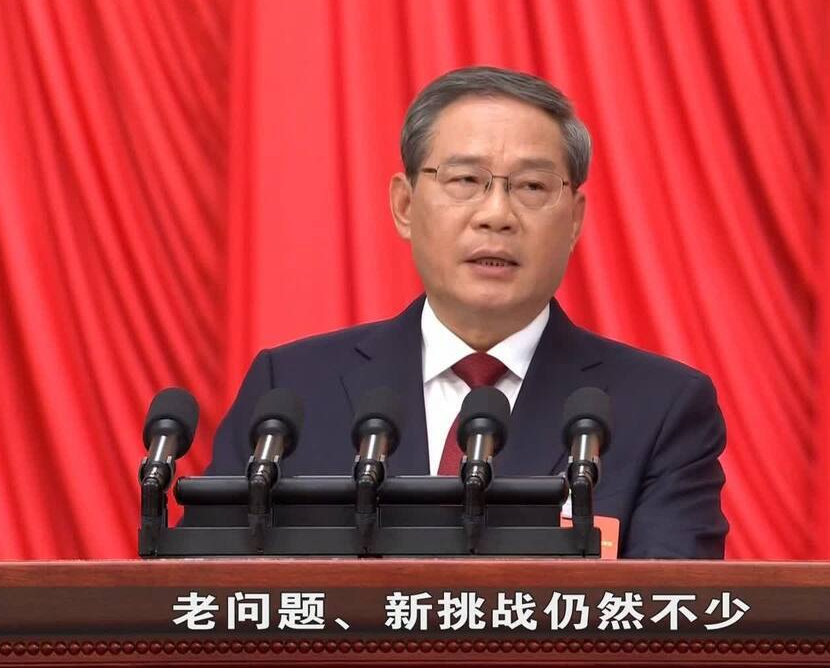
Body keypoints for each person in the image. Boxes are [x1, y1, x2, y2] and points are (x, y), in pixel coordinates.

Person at [204, 66, 728, 558]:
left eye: (532, 186)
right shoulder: (290, 391)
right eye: (464, 180)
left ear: (574, 220)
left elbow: (673, 610)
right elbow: (201, 588)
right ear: (405, 205)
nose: (496, 215)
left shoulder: (660, 409)